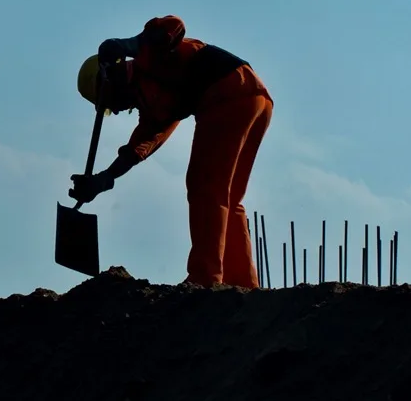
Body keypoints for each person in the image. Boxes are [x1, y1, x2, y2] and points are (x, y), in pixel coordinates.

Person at [69, 15, 273, 289]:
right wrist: (102, 179)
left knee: (203, 186)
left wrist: (127, 45)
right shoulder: (154, 107)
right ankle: (243, 283)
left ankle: (205, 277)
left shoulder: (148, 58)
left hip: (228, 92)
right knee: (228, 196)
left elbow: (172, 26)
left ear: (111, 78)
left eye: (110, 102)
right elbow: (138, 148)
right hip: (253, 98)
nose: (115, 110)